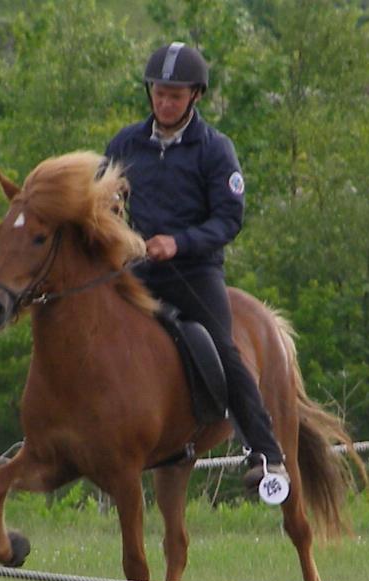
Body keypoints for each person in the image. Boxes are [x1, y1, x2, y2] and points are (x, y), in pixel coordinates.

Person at [105, 41, 289, 500]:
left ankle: (266, 454)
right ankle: (47, 437)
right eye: (159, 93)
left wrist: (179, 242)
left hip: (194, 273)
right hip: (135, 270)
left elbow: (229, 219)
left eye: (175, 95)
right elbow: (99, 201)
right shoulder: (123, 145)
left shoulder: (215, 150)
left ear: (195, 97)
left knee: (226, 352)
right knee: (79, 326)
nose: (164, 103)